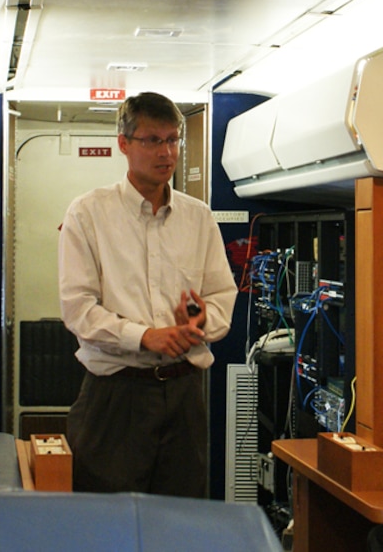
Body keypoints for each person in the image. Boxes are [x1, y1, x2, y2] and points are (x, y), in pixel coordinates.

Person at [58, 92, 237, 497]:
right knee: (107, 524)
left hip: (184, 395)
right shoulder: (88, 214)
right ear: (124, 144)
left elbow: (222, 295)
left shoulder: (199, 217)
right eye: (152, 140)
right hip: (116, 395)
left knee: (181, 521)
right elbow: (78, 310)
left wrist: (199, 320)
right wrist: (144, 336)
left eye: (173, 140)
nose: (167, 152)